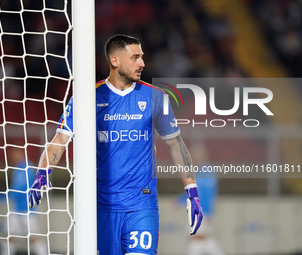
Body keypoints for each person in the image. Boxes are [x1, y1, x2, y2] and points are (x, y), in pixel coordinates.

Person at [29, 34, 203, 255]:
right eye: (135, 57)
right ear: (115, 60)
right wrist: (42, 172)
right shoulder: (87, 97)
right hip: (102, 207)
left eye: (142, 57)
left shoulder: (156, 97)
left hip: (142, 205)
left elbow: (175, 144)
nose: (142, 63)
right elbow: (60, 139)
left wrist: (192, 189)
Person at [174, 145, 224, 255]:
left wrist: (179, 201)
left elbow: (196, 192)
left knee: (197, 237)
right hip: (203, 210)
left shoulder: (204, 172)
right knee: (199, 238)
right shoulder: (205, 171)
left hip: (202, 211)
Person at [0, 147, 47, 255]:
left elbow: (17, 188)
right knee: (9, 235)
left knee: (32, 238)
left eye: (15, 153)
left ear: (21, 154)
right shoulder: (21, 167)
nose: (12, 156)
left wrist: (1, 198)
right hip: (16, 209)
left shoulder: (25, 168)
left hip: (27, 209)